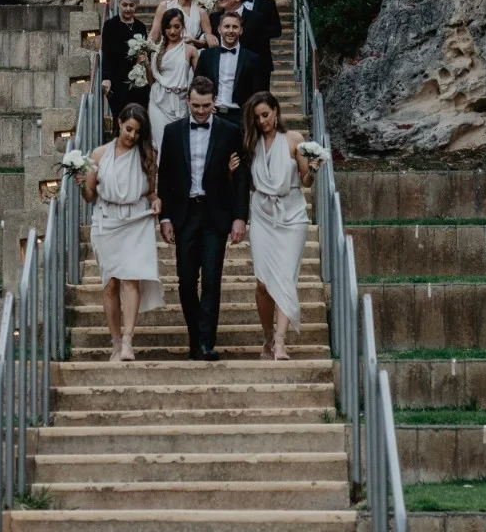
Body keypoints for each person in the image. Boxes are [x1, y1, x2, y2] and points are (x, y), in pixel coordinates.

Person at [157, 77, 249, 361]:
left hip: (215, 213)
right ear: (188, 101)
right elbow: (166, 176)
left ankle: (206, 343)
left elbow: (241, 177)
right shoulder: (171, 132)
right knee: (185, 281)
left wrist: (240, 218)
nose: (200, 111)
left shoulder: (230, 131)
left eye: (206, 106)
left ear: (214, 102)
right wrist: (165, 218)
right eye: (195, 105)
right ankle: (194, 339)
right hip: (184, 213)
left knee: (211, 279)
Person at [234, 92, 321, 361]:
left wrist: (314, 169)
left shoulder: (294, 140)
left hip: (291, 214)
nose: (262, 121)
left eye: (266, 114)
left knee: (285, 278)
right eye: (257, 117)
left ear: (276, 111)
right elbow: (244, 182)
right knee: (262, 282)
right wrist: (230, 170)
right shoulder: (250, 143)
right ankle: (268, 336)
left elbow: (305, 180)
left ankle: (281, 342)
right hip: (261, 212)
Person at [75, 104, 165, 363]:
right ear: (119, 123)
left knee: (131, 280)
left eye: (137, 132)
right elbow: (90, 196)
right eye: (129, 129)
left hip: (136, 219)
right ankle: (115, 342)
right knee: (110, 284)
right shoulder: (100, 155)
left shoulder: (147, 154)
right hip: (107, 219)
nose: (132, 136)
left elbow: (150, 190)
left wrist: (156, 200)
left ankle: (127, 341)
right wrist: (83, 185)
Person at [195, 10, 261, 128]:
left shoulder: (252, 59)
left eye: (235, 27)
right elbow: (197, 84)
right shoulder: (206, 56)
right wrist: (205, 106)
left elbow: (258, 93)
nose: (230, 31)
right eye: (227, 26)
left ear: (241, 30)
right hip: (212, 115)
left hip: (240, 117)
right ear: (219, 29)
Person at [147, 8, 198, 150]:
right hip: (158, 100)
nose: (173, 31)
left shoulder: (190, 50)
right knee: (161, 142)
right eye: (168, 27)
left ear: (183, 27)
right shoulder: (157, 51)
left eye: (176, 26)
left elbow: (200, 79)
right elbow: (152, 81)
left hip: (180, 100)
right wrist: (145, 64)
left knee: (179, 143)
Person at [100, 0, 150, 132]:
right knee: (121, 118)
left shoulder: (140, 26)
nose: (128, 8)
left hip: (138, 82)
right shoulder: (110, 25)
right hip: (118, 80)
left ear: (136, 6)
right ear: (118, 4)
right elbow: (106, 53)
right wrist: (106, 78)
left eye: (131, 5)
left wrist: (143, 59)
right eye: (124, 5)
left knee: (139, 118)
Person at [234, 0, 282, 92]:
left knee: (260, 101)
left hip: (260, 61)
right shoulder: (230, 3)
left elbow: (277, 30)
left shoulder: (268, 4)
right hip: (235, 60)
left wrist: (255, 31)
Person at [149, 0, 215, 49]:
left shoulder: (201, 13)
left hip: (192, 55)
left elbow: (209, 41)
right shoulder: (164, 6)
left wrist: (193, 41)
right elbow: (154, 33)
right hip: (168, 53)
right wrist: (144, 51)